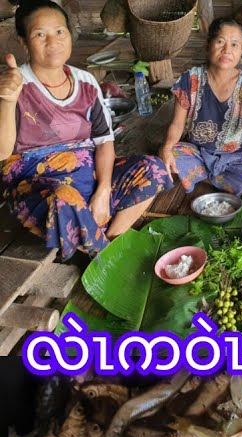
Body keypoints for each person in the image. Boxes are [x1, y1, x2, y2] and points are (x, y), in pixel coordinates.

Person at [0, 0, 170, 259]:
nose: (53, 41)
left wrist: (103, 190)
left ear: (69, 34)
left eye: (59, 31)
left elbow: (103, 142)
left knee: (153, 169)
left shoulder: (86, 82)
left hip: (88, 174)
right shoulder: (13, 84)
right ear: (24, 42)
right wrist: (8, 100)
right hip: (37, 187)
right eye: (39, 34)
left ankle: (110, 238)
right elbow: (2, 153)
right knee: (64, 199)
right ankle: (104, 255)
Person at [159, 17, 242, 196]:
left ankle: (200, 177)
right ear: (208, 44)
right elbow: (177, 124)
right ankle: (215, 178)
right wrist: (166, 148)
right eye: (220, 42)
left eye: (234, 45)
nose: (227, 50)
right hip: (196, 151)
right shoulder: (190, 79)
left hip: (234, 156)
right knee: (168, 156)